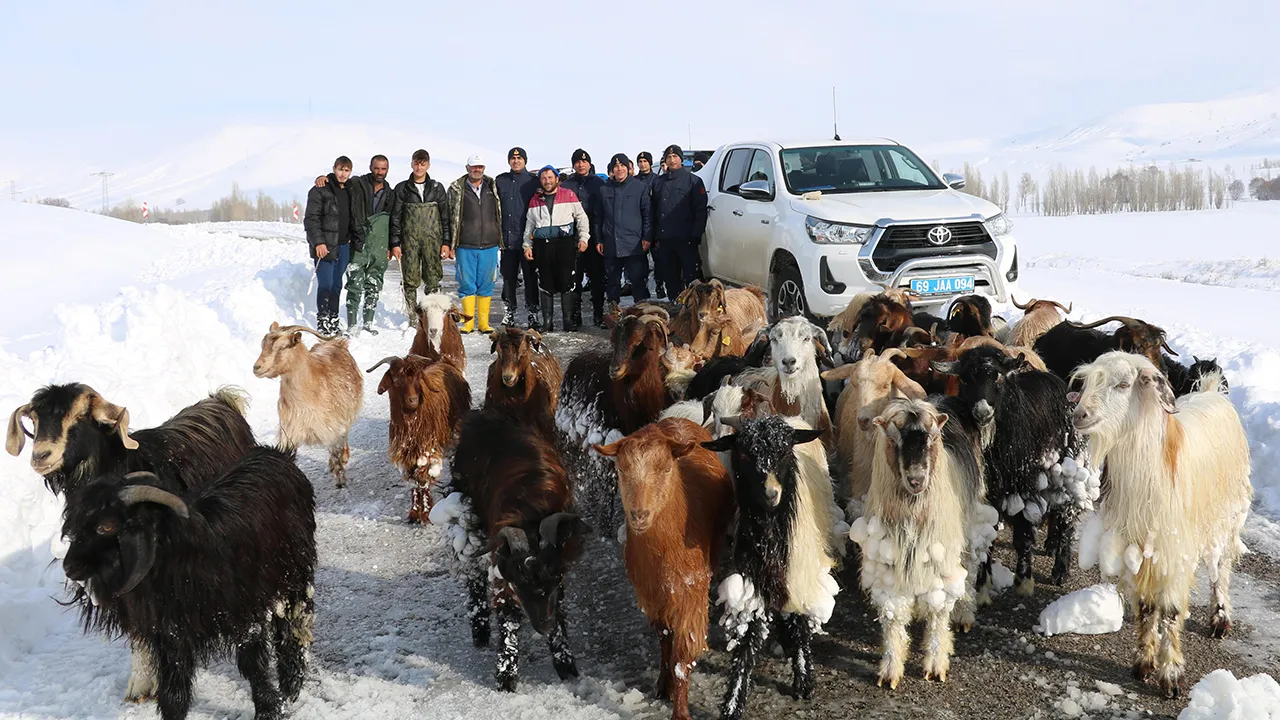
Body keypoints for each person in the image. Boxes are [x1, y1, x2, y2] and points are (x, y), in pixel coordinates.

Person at [316, 154, 394, 334]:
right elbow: (340, 179)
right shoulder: (358, 184)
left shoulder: (391, 192)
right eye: (376, 168)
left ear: (387, 170)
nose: (379, 172)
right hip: (358, 240)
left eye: (383, 169)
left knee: (374, 282)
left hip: (379, 243)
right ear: (370, 167)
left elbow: (395, 220)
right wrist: (324, 178)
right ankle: (352, 324)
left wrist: (392, 244)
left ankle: (368, 322)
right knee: (355, 282)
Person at [524, 165, 590, 332]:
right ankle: (548, 322)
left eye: (550, 177)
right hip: (542, 245)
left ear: (557, 179)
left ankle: (568, 320)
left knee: (567, 282)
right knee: (545, 283)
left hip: (564, 244)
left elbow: (581, 218)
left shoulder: (568, 195)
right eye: (544, 178)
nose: (547, 181)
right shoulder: (535, 200)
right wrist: (527, 246)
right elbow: (529, 225)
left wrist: (584, 238)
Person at [390, 149, 451, 327]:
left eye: (423, 163)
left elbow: (445, 217)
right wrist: (395, 242)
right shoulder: (402, 188)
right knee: (410, 280)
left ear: (428, 165)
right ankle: (412, 316)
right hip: (409, 242)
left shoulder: (437, 188)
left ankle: (431, 315)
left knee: (433, 279)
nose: (419, 167)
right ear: (411, 164)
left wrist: (446, 242)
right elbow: (395, 217)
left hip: (433, 241)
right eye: (416, 163)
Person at [304, 156, 365, 336]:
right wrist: (319, 242)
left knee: (337, 285)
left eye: (346, 170)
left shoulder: (351, 190)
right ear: (334, 168)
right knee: (326, 284)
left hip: (344, 246)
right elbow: (311, 219)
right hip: (326, 246)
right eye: (340, 169)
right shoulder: (320, 190)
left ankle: (333, 320)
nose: (343, 174)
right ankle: (323, 322)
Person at [447, 156, 502, 334]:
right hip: (466, 243)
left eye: (480, 167)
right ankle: (468, 322)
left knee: (487, 282)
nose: (476, 170)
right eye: (473, 167)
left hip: (489, 243)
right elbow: (449, 216)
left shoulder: (492, 186)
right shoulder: (457, 189)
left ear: (484, 168)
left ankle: (484, 323)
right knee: (466, 282)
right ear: (467, 168)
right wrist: (450, 242)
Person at [650, 144, 709, 299]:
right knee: (671, 280)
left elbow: (700, 210)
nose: (672, 160)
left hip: (686, 239)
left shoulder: (693, 181)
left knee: (691, 279)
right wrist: (654, 236)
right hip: (665, 240)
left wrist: (696, 234)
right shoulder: (658, 182)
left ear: (681, 159)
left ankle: (692, 311)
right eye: (669, 157)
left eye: (675, 156)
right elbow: (653, 210)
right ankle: (676, 309)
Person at [595, 153, 651, 313]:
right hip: (611, 242)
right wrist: (599, 239)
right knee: (612, 282)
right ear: (612, 169)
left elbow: (647, 214)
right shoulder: (604, 189)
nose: (619, 169)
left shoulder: (639, 187)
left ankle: (643, 311)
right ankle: (613, 312)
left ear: (628, 168)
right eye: (616, 166)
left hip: (634, 243)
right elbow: (598, 217)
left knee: (638, 280)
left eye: (622, 166)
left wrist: (647, 236)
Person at [495, 147, 540, 328]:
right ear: (508, 161)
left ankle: (533, 313)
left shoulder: (533, 182)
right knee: (508, 278)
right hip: (507, 239)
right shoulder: (501, 181)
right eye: (513, 158)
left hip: (528, 239)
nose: (516, 161)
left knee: (530, 278)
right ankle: (509, 311)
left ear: (525, 161)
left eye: (519, 158)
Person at [560, 149, 606, 328]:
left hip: (595, 238)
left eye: (584, 162)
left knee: (597, 278)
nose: (581, 165)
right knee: (574, 279)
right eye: (577, 162)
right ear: (573, 165)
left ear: (589, 164)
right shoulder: (566, 186)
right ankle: (575, 315)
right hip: (572, 240)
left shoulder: (599, 184)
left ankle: (598, 314)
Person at [633, 150, 662, 298]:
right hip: (639, 226)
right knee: (641, 261)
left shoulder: (657, 180)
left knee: (658, 259)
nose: (643, 164)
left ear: (650, 163)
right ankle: (642, 285)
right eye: (640, 161)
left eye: (645, 161)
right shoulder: (634, 181)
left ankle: (659, 284)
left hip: (655, 224)